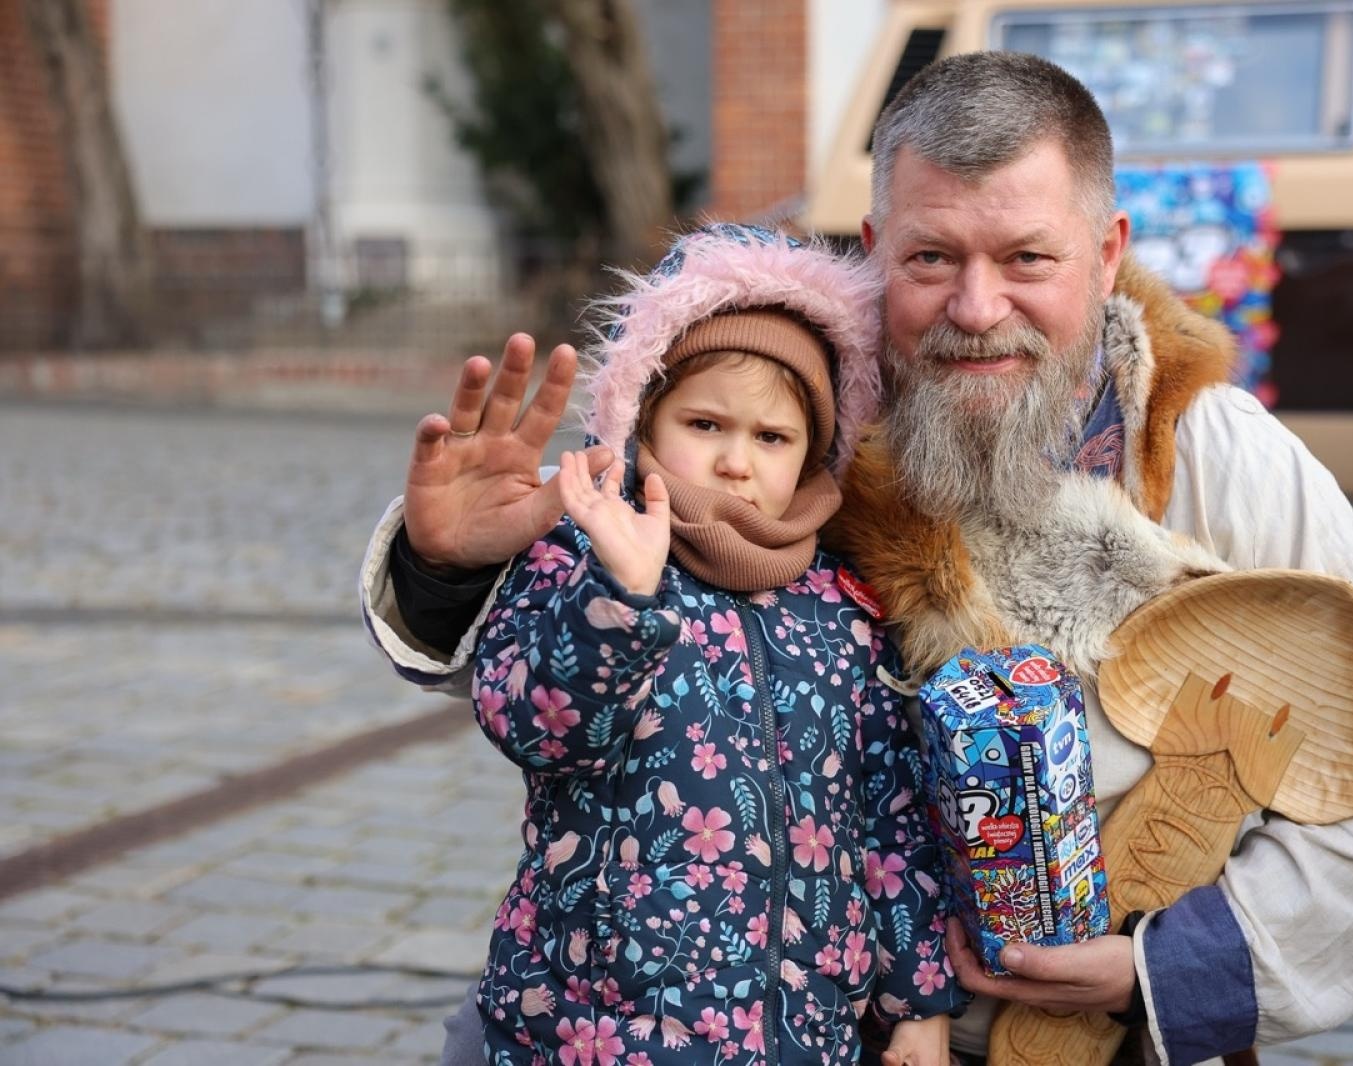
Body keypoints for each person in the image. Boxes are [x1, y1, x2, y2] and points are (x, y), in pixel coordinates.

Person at [361, 54, 1353, 1066]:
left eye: (1027, 258)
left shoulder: (1222, 458)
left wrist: (1158, 971)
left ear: (1107, 253)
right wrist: (448, 568)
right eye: (932, 258)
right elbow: (570, 672)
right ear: (875, 244)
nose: (976, 310)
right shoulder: (791, 429)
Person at [368, 223, 964, 1066]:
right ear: (644, 416)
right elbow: (535, 725)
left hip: (801, 1036)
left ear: (816, 451)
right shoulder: (579, 553)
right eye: (705, 423)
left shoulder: (842, 604)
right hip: (595, 1031)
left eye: (772, 437)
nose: (735, 462)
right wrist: (622, 598)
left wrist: (919, 1001)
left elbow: (889, 816)